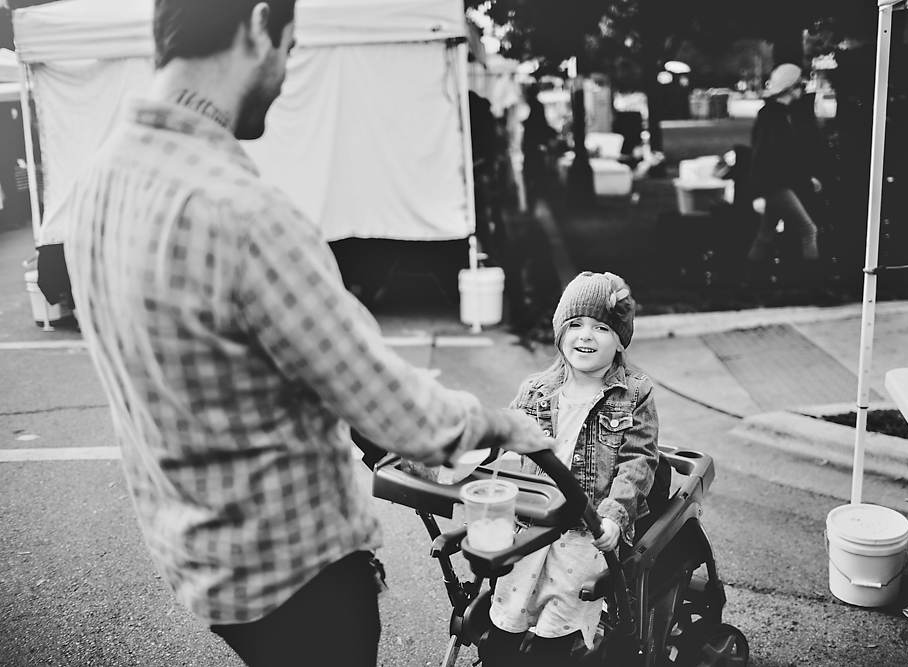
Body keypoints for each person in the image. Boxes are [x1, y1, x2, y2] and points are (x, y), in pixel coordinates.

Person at [58, 2, 552, 666]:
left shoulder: (95, 184)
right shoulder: (242, 213)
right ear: (259, 22)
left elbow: (234, 369)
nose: (287, 75)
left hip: (202, 567)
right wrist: (507, 425)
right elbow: (401, 412)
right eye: (290, 49)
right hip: (302, 586)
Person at [478, 271, 660, 667]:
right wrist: (469, 449)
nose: (586, 336)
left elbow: (639, 461)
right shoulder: (536, 390)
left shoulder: (634, 395)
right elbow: (502, 434)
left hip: (586, 532)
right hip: (533, 525)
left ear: (620, 340)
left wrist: (614, 518)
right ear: (560, 331)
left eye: (601, 327)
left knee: (556, 631)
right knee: (506, 618)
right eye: (575, 324)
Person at [746, 63, 824, 282]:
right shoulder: (774, 117)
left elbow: (784, 156)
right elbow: (766, 156)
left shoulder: (778, 114)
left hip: (775, 183)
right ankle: (814, 281)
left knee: (766, 233)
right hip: (775, 185)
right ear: (791, 88)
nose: (802, 90)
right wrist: (759, 191)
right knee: (809, 230)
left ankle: (750, 279)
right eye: (800, 85)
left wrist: (806, 178)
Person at [520, 91, 558, 206]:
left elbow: (540, 130)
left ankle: (535, 203)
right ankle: (536, 203)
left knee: (533, 179)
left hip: (533, 152)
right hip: (535, 152)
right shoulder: (536, 115)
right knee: (537, 179)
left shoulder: (534, 116)